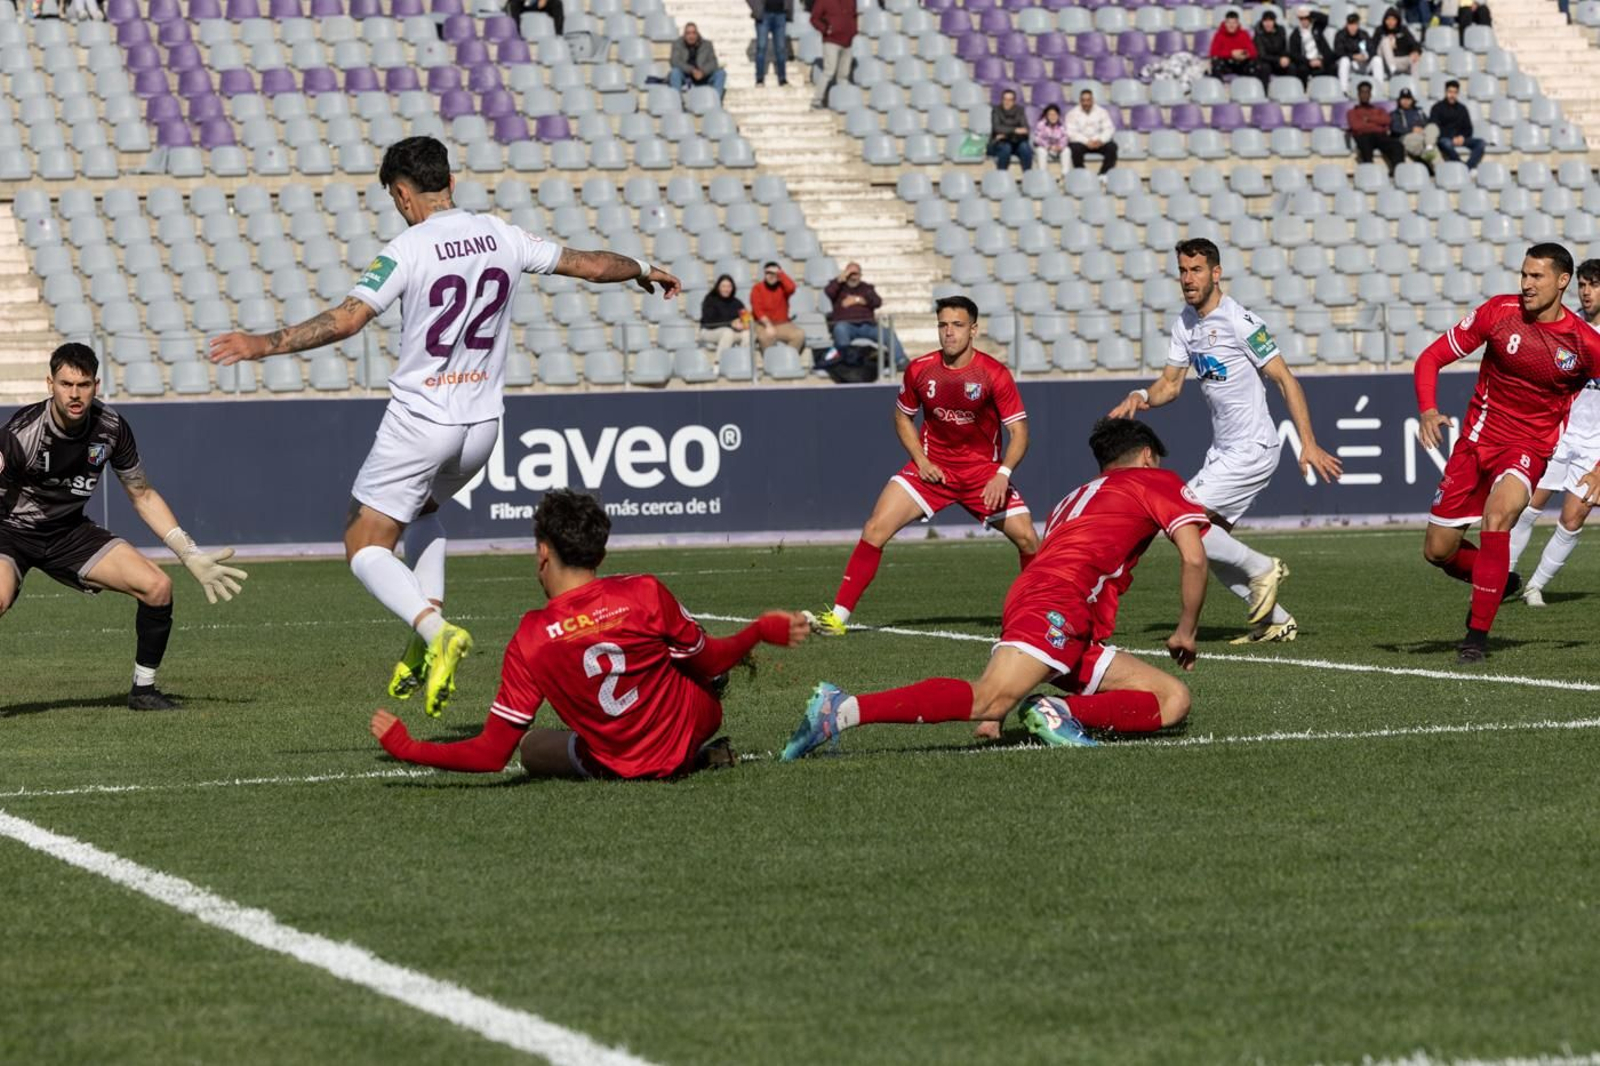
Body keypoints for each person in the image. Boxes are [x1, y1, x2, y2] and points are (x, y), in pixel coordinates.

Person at [209, 136, 680, 716]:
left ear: (404, 194)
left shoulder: (407, 248)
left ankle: (436, 631)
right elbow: (587, 265)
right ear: (451, 183)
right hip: (482, 426)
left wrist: (262, 344)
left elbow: (348, 318)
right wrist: (642, 269)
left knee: (363, 542)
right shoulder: (502, 235)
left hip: (421, 420)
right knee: (425, 511)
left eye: (394, 197)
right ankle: (424, 631)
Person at [782, 418, 1208, 761]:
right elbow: (1193, 556)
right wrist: (1185, 630)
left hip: (1050, 603)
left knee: (1172, 698)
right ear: (1148, 456)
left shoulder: (1075, 497)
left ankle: (1057, 711)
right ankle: (843, 709)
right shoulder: (1158, 481)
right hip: (1056, 602)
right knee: (987, 698)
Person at [371, 490, 810, 780]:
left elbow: (490, 755)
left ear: (543, 553)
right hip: (691, 725)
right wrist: (755, 633)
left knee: (530, 748)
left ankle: (631, 752)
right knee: (694, 660)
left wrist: (410, 748)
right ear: (599, 552)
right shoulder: (644, 591)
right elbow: (713, 660)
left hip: (619, 763)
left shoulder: (531, 636)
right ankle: (687, 752)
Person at [1109, 239, 1343, 644]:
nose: (1187, 278)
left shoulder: (1240, 321)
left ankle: (1263, 567)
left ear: (1216, 273)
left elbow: (1285, 379)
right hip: (1224, 451)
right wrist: (1143, 396)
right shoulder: (1185, 322)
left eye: (1196, 270)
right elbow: (1171, 384)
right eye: (1182, 270)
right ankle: (1276, 620)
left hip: (1253, 448)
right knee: (1203, 546)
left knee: (1180, 520)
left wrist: (1307, 442)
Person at [1, 344, 247, 710]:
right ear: (49, 383)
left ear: (96, 385)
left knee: (158, 587)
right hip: (11, 533)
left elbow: (143, 495)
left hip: (69, 534)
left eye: (83, 384)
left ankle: (143, 690)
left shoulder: (111, 428)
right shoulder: (24, 432)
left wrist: (188, 552)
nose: (74, 394)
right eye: (66, 384)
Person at [808, 295, 1039, 637]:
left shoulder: (994, 374)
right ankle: (838, 618)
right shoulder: (920, 369)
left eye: (957, 325)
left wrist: (1002, 475)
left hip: (983, 476)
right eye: (943, 325)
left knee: (1030, 541)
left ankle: (1034, 616)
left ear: (973, 330)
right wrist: (921, 459)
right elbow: (902, 416)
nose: (949, 333)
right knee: (875, 528)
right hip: (931, 471)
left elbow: (1019, 432)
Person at [1413, 244, 1600, 664]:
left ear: (1562, 281)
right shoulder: (1498, 313)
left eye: (1537, 277)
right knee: (1438, 551)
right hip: (1476, 442)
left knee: (1498, 518)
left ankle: (1475, 639)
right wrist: (1427, 409)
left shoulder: (1584, 342)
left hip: (1529, 447)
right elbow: (1430, 358)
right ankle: (1502, 580)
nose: (1526, 284)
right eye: (1524, 275)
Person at [1507, 259, 1600, 607]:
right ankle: (1504, 576)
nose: (1586, 291)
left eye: (1594, 285)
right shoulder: (1568, 326)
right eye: (1582, 284)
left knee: (1572, 517)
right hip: (1559, 434)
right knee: (1527, 505)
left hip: (1595, 447)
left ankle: (1534, 586)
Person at [822, 262, 907, 371]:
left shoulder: (866, 288)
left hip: (867, 325)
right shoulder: (838, 288)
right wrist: (840, 279)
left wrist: (859, 300)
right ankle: (846, 363)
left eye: (856, 274)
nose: (853, 277)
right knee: (840, 329)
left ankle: (901, 361)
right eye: (850, 274)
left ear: (860, 275)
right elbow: (828, 292)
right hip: (846, 325)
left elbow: (877, 302)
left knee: (887, 332)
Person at [749, 260, 807, 357]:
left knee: (799, 334)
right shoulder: (757, 288)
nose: (771, 275)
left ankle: (787, 359)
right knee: (766, 336)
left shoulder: (783, 287)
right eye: (768, 273)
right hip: (762, 324)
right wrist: (768, 325)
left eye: (774, 273)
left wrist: (780, 273)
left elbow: (792, 288)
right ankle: (771, 362)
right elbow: (757, 310)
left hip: (782, 323)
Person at [1348, 80, 1405, 174]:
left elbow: (1387, 120)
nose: (1365, 95)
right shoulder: (1352, 112)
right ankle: (1370, 173)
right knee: (1365, 144)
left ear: (1370, 94)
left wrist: (1368, 119)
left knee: (1397, 145)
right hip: (1363, 137)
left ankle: (1398, 172)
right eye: (1362, 92)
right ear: (1358, 94)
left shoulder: (1379, 110)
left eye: (1367, 92)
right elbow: (1356, 127)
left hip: (1379, 136)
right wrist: (1378, 125)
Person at [809, 0, 856, 109]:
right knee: (829, 71)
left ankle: (843, 102)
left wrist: (853, 31)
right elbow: (814, 18)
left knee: (843, 75)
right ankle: (817, 100)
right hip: (831, 41)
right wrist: (826, 29)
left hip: (847, 42)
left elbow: (853, 15)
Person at [1430, 79, 1485, 170]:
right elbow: (1434, 128)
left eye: (1455, 92)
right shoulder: (1437, 108)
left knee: (1481, 143)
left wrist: (1462, 137)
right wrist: (1452, 138)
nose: (1452, 95)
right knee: (1445, 143)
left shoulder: (1462, 109)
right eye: (1450, 92)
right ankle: (1462, 167)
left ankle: (1467, 167)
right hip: (1446, 139)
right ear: (1446, 92)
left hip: (1461, 139)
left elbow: (1469, 129)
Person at [1065, 88, 1118, 176]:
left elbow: (1109, 129)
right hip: (1082, 143)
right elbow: (1071, 133)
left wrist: (1101, 140)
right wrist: (1086, 141)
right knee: (1074, 148)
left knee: (1112, 147)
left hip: (1098, 142)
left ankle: (1103, 174)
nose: (1086, 103)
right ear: (1080, 101)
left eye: (1088, 100)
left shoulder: (1102, 112)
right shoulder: (1072, 114)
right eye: (1083, 100)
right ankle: (1082, 175)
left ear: (1092, 100)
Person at [698, 273, 748, 363]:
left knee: (747, 333)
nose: (726, 289)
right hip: (709, 331)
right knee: (727, 332)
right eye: (723, 286)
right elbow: (709, 321)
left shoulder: (737, 302)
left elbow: (747, 318)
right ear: (718, 287)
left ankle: (744, 362)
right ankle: (719, 364)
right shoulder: (710, 300)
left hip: (733, 331)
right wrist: (730, 323)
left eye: (729, 286)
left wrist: (744, 324)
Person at [668, 23, 725, 98]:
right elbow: (675, 61)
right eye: (688, 33)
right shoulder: (677, 44)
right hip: (686, 76)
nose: (691, 36)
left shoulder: (707, 45)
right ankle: (677, 101)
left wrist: (703, 72)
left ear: (697, 34)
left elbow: (713, 63)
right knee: (675, 72)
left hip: (703, 76)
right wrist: (692, 70)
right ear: (684, 35)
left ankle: (716, 101)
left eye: (694, 33)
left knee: (720, 73)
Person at [1333, 13, 1382, 94]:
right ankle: (1343, 91)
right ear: (1347, 25)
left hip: (1363, 63)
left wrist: (1366, 56)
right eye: (1350, 25)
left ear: (1358, 25)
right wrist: (1353, 56)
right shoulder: (1340, 35)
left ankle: (1379, 90)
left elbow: (1372, 50)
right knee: (1344, 60)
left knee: (1377, 60)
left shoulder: (1363, 34)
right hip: (1351, 65)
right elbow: (1338, 52)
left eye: (1355, 25)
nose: (1352, 27)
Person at [747, 0, 792, 87]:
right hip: (764, 13)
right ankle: (759, 79)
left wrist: (788, 9)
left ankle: (782, 79)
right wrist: (757, 8)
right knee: (761, 47)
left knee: (781, 48)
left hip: (781, 13)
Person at [987, 88, 1033, 172]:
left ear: (1014, 101)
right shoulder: (996, 110)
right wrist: (1015, 130)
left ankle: (1028, 176)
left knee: (1025, 147)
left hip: (1015, 142)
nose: (1007, 102)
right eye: (1005, 99)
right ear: (1002, 100)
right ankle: (1001, 175)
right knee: (1006, 147)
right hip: (998, 143)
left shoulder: (1020, 111)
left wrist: (1006, 133)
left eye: (1010, 100)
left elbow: (1025, 129)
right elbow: (997, 128)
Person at [1391, 88, 1436, 170]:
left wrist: (1422, 130)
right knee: (1432, 147)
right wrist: (1412, 130)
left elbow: (1427, 124)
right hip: (1407, 137)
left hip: (1423, 136)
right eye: (1403, 98)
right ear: (1399, 100)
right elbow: (1395, 128)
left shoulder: (1419, 111)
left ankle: (1429, 147)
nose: (1406, 101)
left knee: (1432, 126)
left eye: (1408, 99)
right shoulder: (1396, 113)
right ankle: (1439, 168)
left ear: (1412, 100)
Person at [1288, 5, 1334, 84]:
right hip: (1306, 62)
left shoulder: (1317, 28)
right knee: (1302, 69)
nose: (1304, 21)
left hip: (1321, 60)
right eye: (1301, 19)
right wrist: (1309, 62)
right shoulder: (1295, 34)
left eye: (1306, 18)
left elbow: (1326, 18)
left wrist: (1310, 13)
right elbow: (1294, 54)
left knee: (1332, 67)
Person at [1209, 9, 1260, 80]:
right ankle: (1219, 88)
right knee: (1216, 62)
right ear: (1225, 23)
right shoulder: (1219, 35)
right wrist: (1231, 53)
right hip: (1226, 64)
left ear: (1238, 23)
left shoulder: (1244, 34)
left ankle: (1251, 87)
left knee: (1254, 63)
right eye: (1229, 23)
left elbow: (1253, 52)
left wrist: (1245, 54)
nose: (1231, 25)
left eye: (1234, 23)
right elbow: (1213, 52)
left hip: (1242, 63)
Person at [1375, 6, 1420, 77]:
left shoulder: (1403, 30)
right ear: (1385, 20)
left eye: (1393, 19)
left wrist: (1415, 51)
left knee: (1414, 58)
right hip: (1383, 61)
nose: (1390, 22)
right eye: (1388, 19)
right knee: (1385, 40)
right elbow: (1372, 46)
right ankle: (1392, 70)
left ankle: (1415, 83)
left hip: (1398, 59)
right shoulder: (1380, 30)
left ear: (1397, 20)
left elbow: (1414, 43)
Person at [1255, 10, 1292, 84]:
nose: (1268, 24)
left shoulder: (1280, 31)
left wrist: (1285, 58)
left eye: (1270, 21)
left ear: (1274, 22)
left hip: (1279, 61)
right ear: (1262, 22)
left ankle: (1290, 89)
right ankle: (1264, 92)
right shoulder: (1259, 34)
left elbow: (1284, 48)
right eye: (1265, 21)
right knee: (1265, 68)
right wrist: (1278, 59)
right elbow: (1262, 55)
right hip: (1266, 61)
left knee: (1291, 66)